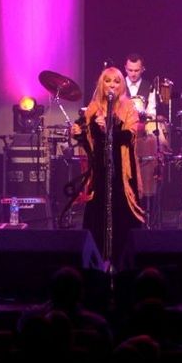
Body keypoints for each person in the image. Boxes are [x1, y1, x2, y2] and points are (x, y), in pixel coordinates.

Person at [71, 67, 146, 267]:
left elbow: (130, 136)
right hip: (99, 169)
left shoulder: (128, 106)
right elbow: (89, 141)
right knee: (97, 212)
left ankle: (123, 262)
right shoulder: (94, 107)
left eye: (116, 81)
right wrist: (79, 133)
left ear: (121, 85)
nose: (112, 85)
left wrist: (110, 127)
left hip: (121, 169)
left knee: (122, 213)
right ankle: (97, 261)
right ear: (101, 83)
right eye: (108, 80)